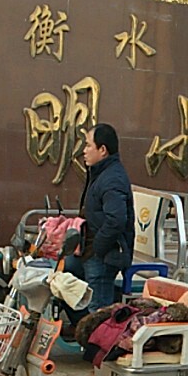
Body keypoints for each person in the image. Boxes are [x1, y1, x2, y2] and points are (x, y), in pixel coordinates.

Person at [63, 122, 135, 320]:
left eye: (88, 145)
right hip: (86, 252)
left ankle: (98, 349)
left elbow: (116, 220)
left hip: (102, 256)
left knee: (99, 313)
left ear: (102, 150)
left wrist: (98, 247)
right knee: (62, 281)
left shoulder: (112, 179)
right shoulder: (100, 173)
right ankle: (81, 331)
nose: (84, 151)